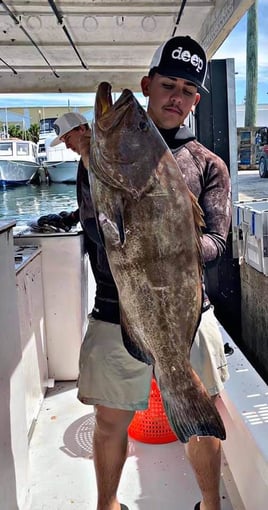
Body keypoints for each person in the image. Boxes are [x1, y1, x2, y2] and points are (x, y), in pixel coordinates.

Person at [38, 35, 231, 510]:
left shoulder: (210, 165)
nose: (176, 97)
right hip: (112, 309)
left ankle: (210, 504)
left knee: (201, 423)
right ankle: (108, 505)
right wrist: (92, 162)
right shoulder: (99, 162)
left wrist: (173, 247)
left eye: (187, 90)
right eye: (168, 85)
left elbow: (219, 243)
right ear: (148, 84)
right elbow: (94, 228)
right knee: (110, 421)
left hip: (188, 314)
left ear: (196, 100)